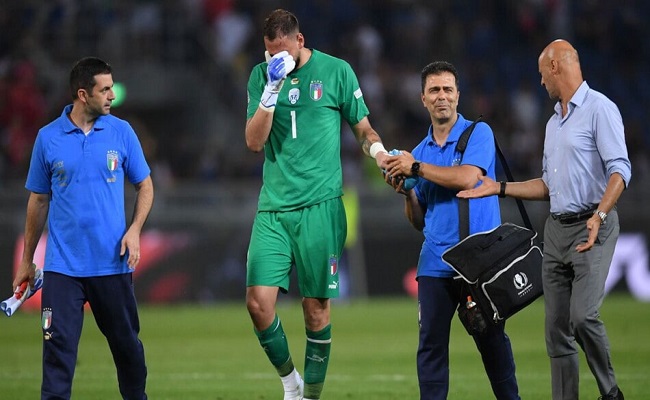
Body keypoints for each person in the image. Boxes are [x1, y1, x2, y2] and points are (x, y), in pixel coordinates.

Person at [457, 39, 631, 400]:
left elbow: (620, 171)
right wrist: (499, 188)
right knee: (556, 331)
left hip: (591, 226)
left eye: (541, 74)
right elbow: (548, 185)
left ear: (555, 67)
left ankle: (610, 392)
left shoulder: (601, 109)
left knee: (582, 318)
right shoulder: (554, 123)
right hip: (556, 230)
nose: (540, 83)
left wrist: (600, 214)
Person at [244, 9, 390, 400]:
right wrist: (271, 90)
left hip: (320, 207)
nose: (276, 61)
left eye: (282, 53)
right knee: (258, 304)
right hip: (273, 209)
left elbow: (363, 128)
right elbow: (254, 142)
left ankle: (309, 398)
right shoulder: (261, 78)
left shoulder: (337, 71)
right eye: (269, 53)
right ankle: (291, 383)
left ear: (300, 41)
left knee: (316, 310)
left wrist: (377, 153)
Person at [12, 57, 153, 400]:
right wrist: (28, 259)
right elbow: (38, 201)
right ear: (82, 94)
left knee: (127, 350)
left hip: (111, 264)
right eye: (105, 89)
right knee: (57, 353)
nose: (111, 96)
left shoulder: (122, 132)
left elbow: (145, 186)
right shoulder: (48, 139)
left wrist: (134, 229)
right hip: (63, 268)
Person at [383, 61, 520, 400]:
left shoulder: (478, 133)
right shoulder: (420, 151)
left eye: (447, 89)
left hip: (479, 262)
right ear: (423, 99)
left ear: (458, 96)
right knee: (430, 346)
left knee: (491, 343)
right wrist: (408, 191)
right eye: (434, 90)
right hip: (435, 262)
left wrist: (415, 168)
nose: (441, 96)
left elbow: (468, 178)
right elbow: (418, 220)